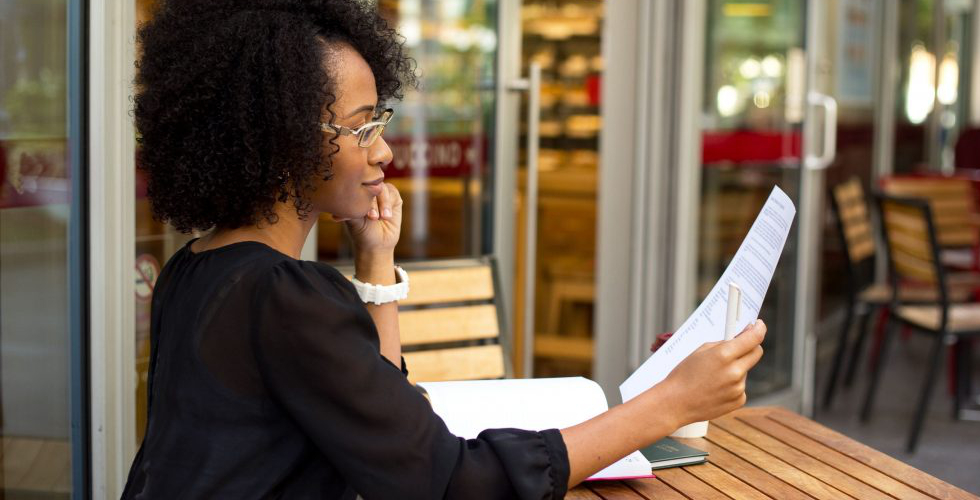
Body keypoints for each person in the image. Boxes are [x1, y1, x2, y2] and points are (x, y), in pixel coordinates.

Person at [123, 1, 766, 498]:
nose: (384, 151)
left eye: (383, 121)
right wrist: (670, 403)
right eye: (362, 125)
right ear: (282, 137)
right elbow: (451, 485)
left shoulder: (197, 270)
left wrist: (375, 264)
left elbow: (392, 425)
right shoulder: (285, 298)